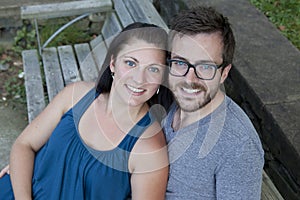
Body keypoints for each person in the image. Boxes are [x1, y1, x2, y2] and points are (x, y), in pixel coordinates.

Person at [0, 22, 170, 200]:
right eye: (130, 63)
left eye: (153, 69)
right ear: (113, 63)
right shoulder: (76, 95)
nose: (139, 79)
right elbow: (24, 145)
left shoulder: (149, 150)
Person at [163, 6, 264, 199]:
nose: (190, 79)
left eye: (205, 66)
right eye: (180, 62)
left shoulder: (238, 145)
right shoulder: (167, 99)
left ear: (224, 73)